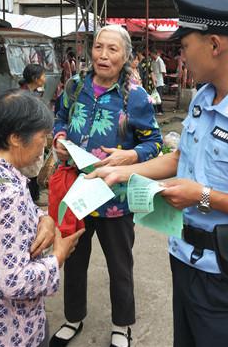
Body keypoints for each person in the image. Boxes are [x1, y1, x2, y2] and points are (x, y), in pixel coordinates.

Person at [88, 0, 228, 347]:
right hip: (184, 256)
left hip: (226, 271)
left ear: (215, 44)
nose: (180, 54)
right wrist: (123, 172)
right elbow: (182, 158)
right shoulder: (205, 98)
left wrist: (203, 196)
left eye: (184, 45)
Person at [50, 24, 162, 347]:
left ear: (126, 55)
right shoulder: (74, 86)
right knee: (73, 259)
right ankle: (73, 318)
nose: (103, 55)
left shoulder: (136, 96)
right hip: (78, 190)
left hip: (116, 197)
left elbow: (154, 143)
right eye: (99, 47)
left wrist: (130, 155)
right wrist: (59, 138)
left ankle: (121, 326)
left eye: (112, 49)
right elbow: (59, 118)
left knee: (119, 265)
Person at [0, 90, 84, 347]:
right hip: (13, 332)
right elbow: (13, 282)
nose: (44, 145)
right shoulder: (9, 195)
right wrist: (59, 254)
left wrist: (43, 218)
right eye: (41, 137)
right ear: (15, 138)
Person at [19, 63, 48, 202]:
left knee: (34, 170)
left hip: (34, 136)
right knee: (29, 172)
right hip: (28, 138)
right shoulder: (24, 96)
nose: (45, 78)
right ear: (35, 78)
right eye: (43, 75)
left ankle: (33, 198)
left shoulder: (33, 92)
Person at [150, 47, 166, 115]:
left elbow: (163, 72)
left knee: (159, 96)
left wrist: (161, 80)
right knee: (154, 96)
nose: (151, 55)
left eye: (152, 54)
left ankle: (160, 111)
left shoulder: (160, 61)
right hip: (154, 81)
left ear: (155, 54)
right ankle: (156, 110)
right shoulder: (153, 61)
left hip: (159, 81)